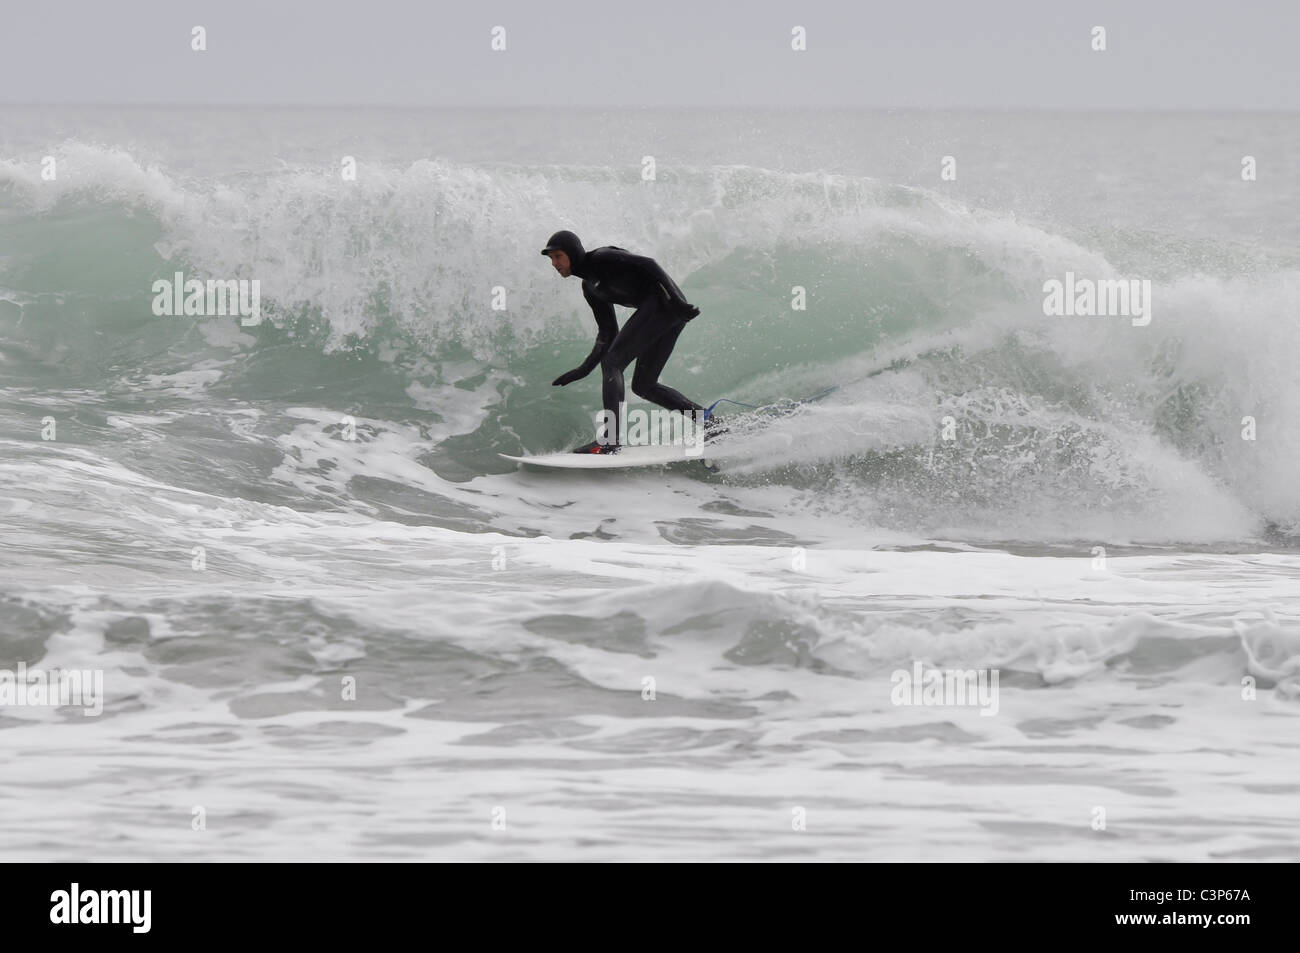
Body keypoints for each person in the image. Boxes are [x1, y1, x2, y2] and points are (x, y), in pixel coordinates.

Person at [542, 230, 707, 453]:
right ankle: (710, 421)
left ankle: (610, 440)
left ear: (572, 252)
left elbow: (650, 264)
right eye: (551, 258)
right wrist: (582, 370)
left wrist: (678, 302)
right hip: (665, 312)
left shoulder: (602, 257)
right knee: (643, 385)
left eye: (558, 256)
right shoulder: (590, 288)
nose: (554, 263)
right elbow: (607, 333)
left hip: (666, 304)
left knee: (613, 362)